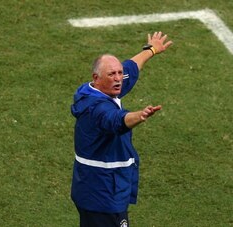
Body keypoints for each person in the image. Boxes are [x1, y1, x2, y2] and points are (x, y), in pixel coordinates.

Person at [70, 32, 173, 227]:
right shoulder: (97, 110)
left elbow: (130, 68)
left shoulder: (98, 88)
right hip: (102, 194)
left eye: (118, 73)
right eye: (112, 74)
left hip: (93, 189)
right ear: (97, 77)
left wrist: (151, 50)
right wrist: (140, 115)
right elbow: (117, 120)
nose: (119, 78)